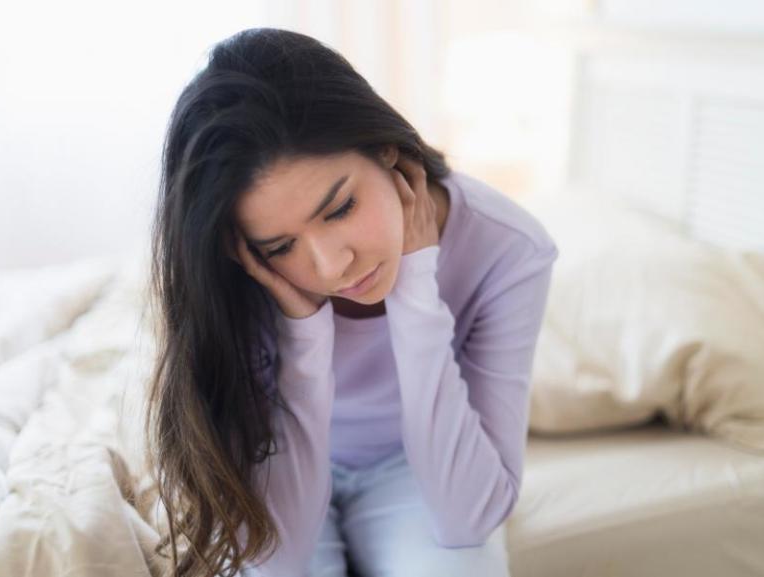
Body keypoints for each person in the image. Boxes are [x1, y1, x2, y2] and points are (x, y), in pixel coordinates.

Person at [145, 27, 558, 577]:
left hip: (412, 468)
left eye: (339, 208)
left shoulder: (511, 249)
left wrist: (416, 289)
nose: (330, 265)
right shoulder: (232, 277)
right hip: (276, 455)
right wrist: (303, 332)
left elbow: (469, 517)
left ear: (386, 150)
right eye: (282, 246)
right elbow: (282, 555)